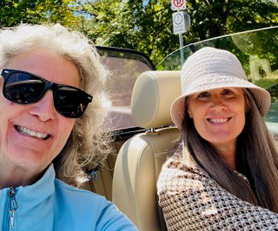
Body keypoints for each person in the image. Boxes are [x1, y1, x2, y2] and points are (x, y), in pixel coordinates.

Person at [0, 24, 137, 230]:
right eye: (25, 88)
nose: (45, 112)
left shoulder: (98, 219)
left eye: (67, 99)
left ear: (76, 124)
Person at [157, 47, 278, 230]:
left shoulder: (270, 154)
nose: (217, 105)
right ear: (189, 109)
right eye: (203, 95)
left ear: (245, 103)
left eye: (228, 92)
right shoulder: (179, 183)